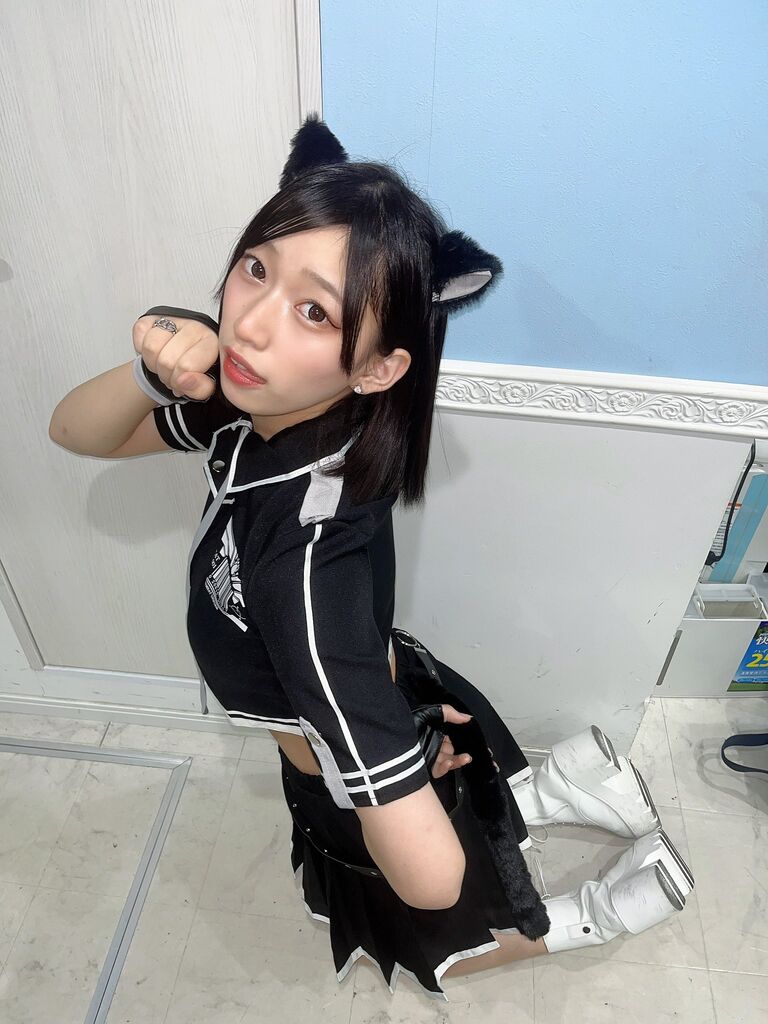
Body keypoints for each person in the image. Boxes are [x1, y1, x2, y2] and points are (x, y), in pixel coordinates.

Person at [51, 113, 694, 1001]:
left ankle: (585, 917)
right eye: (256, 269)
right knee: (438, 816)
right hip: (365, 704)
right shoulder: (278, 406)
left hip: (341, 751)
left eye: (314, 310)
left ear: (380, 368)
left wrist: (383, 783)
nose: (250, 326)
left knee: (430, 931)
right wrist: (149, 374)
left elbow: (429, 878)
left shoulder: (302, 578)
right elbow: (80, 434)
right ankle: (547, 792)